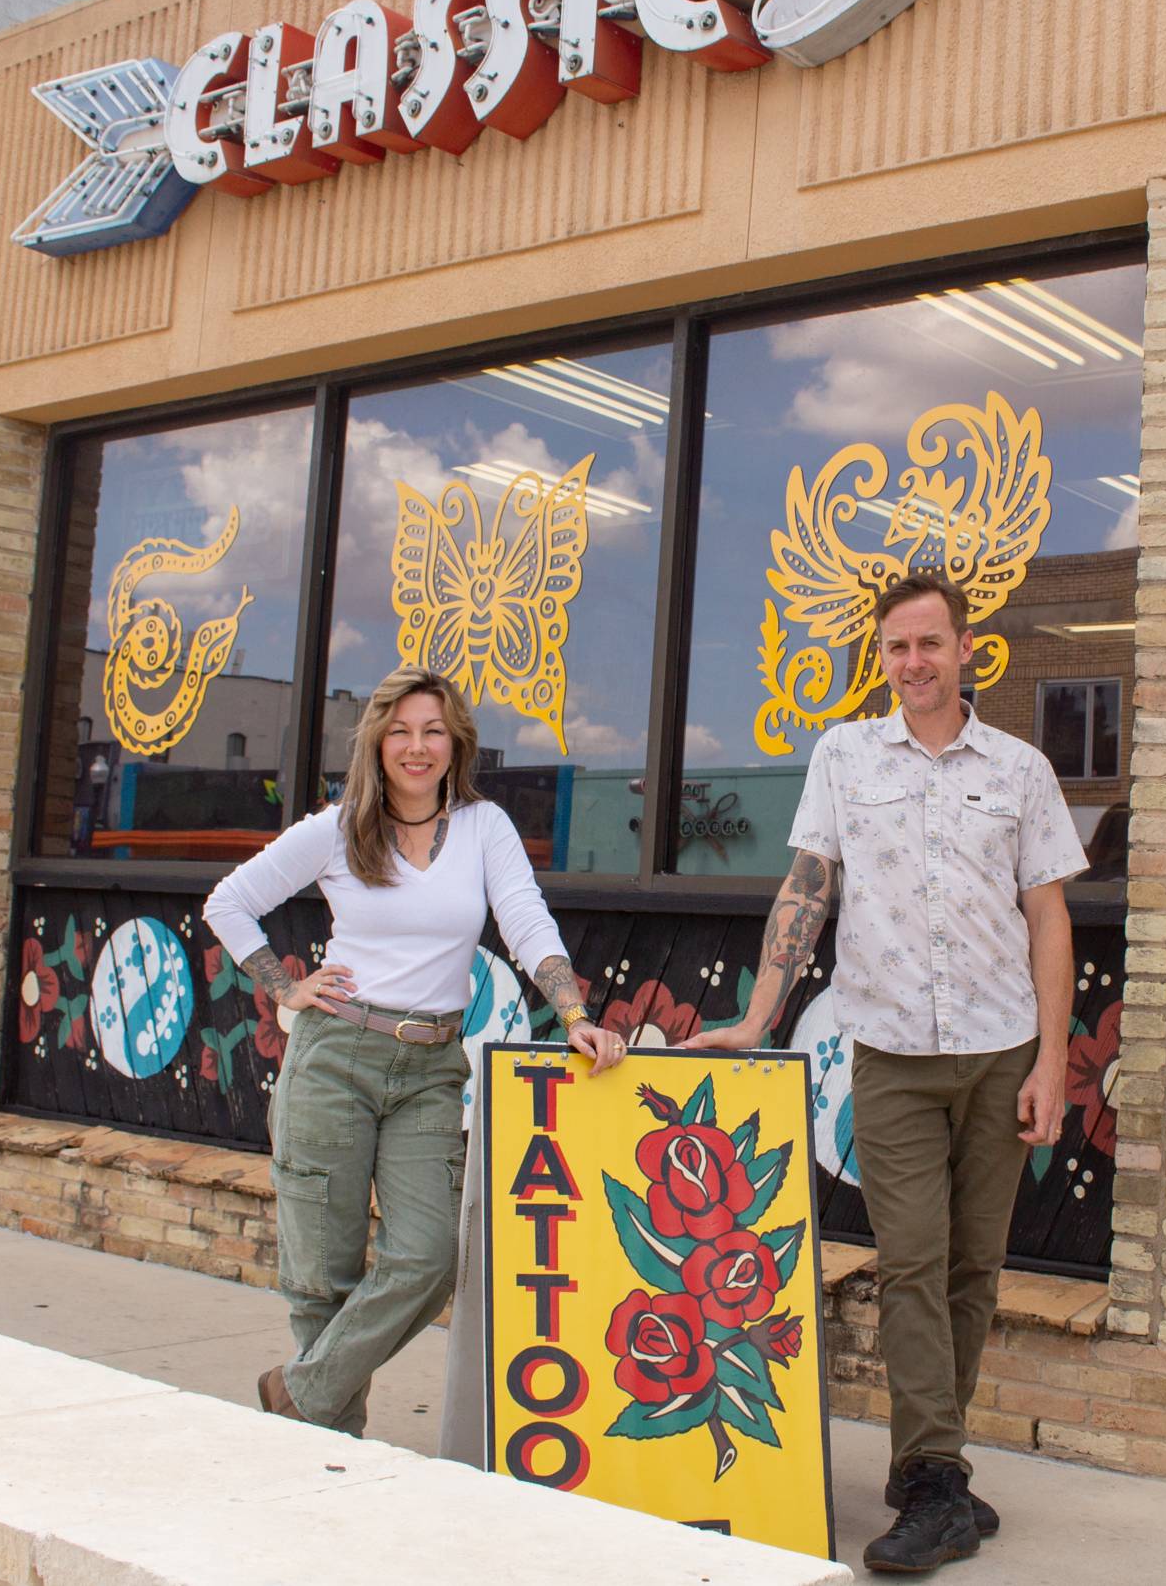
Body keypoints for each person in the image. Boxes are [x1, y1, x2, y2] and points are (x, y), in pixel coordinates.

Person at [691, 573, 1083, 1575]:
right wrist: (757, 1016)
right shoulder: (843, 755)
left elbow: (1047, 916)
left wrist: (1049, 1058)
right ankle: (937, 1476)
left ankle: (928, 1472)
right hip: (892, 1059)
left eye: (929, 643)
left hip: (999, 1055)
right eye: (896, 647)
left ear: (963, 650)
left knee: (971, 1268)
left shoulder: (1021, 768)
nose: (913, 662)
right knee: (911, 1259)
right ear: (882, 657)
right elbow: (808, 887)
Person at [202, 665, 626, 1442]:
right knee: (322, 1278)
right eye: (399, 730)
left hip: (430, 1067)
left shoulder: (483, 827)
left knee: (430, 1255)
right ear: (377, 741)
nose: (416, 746)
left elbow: (527, 922)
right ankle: (329, 1453)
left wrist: (572, 1011)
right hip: (336, 1055)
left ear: (455, 740)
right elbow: (229, 902)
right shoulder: (335, 828)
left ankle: (296, 1391)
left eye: (432, 730)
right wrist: (285, 985)